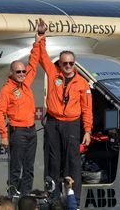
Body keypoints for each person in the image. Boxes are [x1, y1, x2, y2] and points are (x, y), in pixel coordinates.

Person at [37, 18, 93, 207]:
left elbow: (87, 109)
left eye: (70, 63)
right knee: (53, 159)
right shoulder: (53, 74)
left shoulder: (82, 83)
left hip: (72, 124)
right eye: (64, 63)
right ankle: (54, 198)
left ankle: (74, 200)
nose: (68, 66)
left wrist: (87, 130)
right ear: (59, 64)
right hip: (53, 122)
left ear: (74, 64)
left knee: (73, 161)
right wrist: (41, 35)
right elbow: (42, 56)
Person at [0, 31, 41, 195]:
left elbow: (33, 63)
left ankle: (26, 197)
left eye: (23, 71)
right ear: (12, 73)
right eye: (18, 72)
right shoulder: (6, 90)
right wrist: (4, 136)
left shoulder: (26, 82)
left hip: (31, 130)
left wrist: (38, 42)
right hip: (17, 131)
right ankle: (13, 196)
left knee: (29, 167)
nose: (22, 74)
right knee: (16, 168)